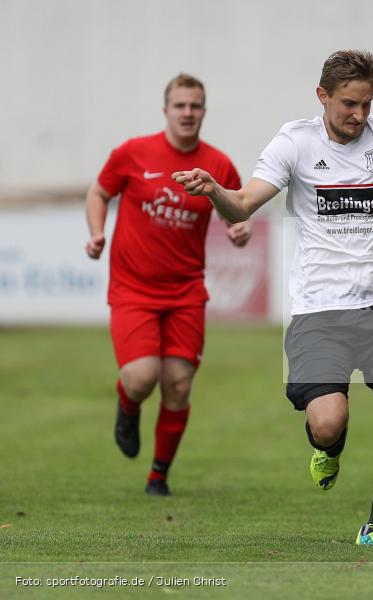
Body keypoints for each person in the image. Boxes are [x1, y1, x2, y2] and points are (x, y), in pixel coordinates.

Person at [173, 50, 373, 546]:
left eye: (367, 103)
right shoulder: (295, 142)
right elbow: (243, 202)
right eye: (349, 104)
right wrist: (213, 191)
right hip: (320, 311)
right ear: (323, 96)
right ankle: (326, 446)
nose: (359, 114)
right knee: (330, 422)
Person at [85, 73, 252, 496]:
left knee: (177, 383)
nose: (187, 112)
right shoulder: (132, 153)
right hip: (133, 288)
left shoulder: (217, 163)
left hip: (185, 292)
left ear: (203, 112)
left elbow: (238, 210)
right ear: (166, 110)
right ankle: (128, 405)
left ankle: (158, 476)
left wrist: (240, 230)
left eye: (195, 105)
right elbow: (98, 193)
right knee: (142, 378)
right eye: (180, 105)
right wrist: (96, 232)